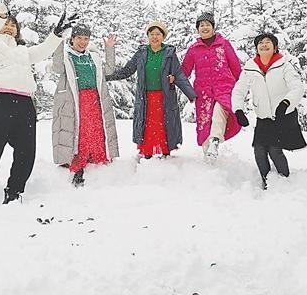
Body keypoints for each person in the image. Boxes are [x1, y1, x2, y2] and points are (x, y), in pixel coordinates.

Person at [0, 0, 76, 203]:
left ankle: (14, 191)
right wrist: (1, 13)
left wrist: (57, 34)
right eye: (6, 24)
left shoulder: (23, 52)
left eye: (13, 25)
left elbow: (44, 50)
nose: (9, 27)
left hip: (24, 105)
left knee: (27, 153)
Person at [106, 21, 196, 158]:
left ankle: (165, 152)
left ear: (163, 37)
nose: (155, 37)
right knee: (147, 126)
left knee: (163, 125)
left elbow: (178, 74)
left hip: (164, 97)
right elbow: (127, 71)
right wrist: (106, 77)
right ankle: (147, 152)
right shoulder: (141, 53)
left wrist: (191, 94)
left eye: (158, 34)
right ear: (148, 36)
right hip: (145, 98)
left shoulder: (169, 53)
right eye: (152, 34)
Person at [231, 33, 306, 189]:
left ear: (275, 47)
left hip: (283, 115)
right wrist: (238, 110)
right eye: (261, 43)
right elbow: (239, 90)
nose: (264, 45)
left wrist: (286, 103)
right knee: (259, 150)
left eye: (268, 43)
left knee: (274, 150)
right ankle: (266, 182)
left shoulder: (284, 65)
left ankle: (285, 181)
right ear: (257, 48)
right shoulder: (250, 68)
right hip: (263, 117)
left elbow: (297, 86)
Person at [50, 24, 120, 187]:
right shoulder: (67, 57)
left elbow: (109, 71)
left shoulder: (93, 57)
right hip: (75, 100)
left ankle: (95, 156)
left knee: (95, 130)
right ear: (72, 39)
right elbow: (57, 67)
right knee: (79, 132)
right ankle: (78, 161)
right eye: (79, 38)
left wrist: (109, 49)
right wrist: (58, 41)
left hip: (94, 100)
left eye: (86, 39)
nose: (82, 42)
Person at [181, 11, 242, 160]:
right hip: (203, 92)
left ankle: (215, 140)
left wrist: (241, 89)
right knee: (204, 122)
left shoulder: (223, 44)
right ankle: (208, 157)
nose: (204, 28)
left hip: (224, 87)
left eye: (207, 24)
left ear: (213, 27)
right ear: (198, 29)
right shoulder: (194, 49)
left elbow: (236, 68)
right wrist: (171, 77)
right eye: (201, 25)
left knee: (219, 111)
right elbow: (184, 71)